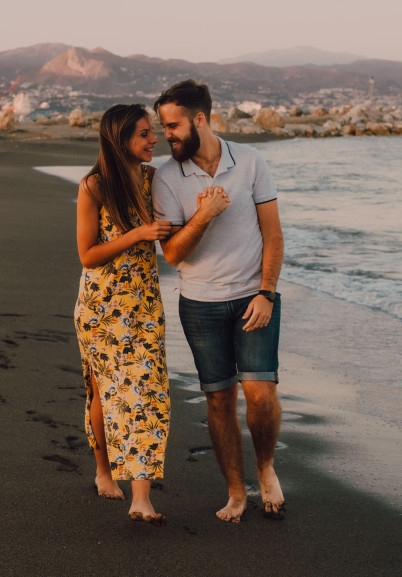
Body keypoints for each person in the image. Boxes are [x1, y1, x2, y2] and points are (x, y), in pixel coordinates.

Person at [152, 80, 285, 523]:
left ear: (200, 119)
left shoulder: (249, 161)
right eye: (162, 126)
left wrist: (266, 292)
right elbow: (171, 254)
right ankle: (235, 492)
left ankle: (265, 468)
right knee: (219, 400)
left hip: (254, 297)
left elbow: (274, 234)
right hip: (201, 303)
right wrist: (204, 216)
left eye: (172, 125)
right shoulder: (167, 177)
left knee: (260, 393)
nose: (166, 134)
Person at [74, 104, 173, 525]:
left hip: (145, 304)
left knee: (148, 391)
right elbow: (87, 254)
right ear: (121, 140)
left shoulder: (154, 179)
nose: (155, 140)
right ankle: (103, 472)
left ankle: (141, 498)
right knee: (104, 392)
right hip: (101, 306)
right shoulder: (94, 186)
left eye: (154, 133)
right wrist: (137, 234)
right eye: (145, 134)